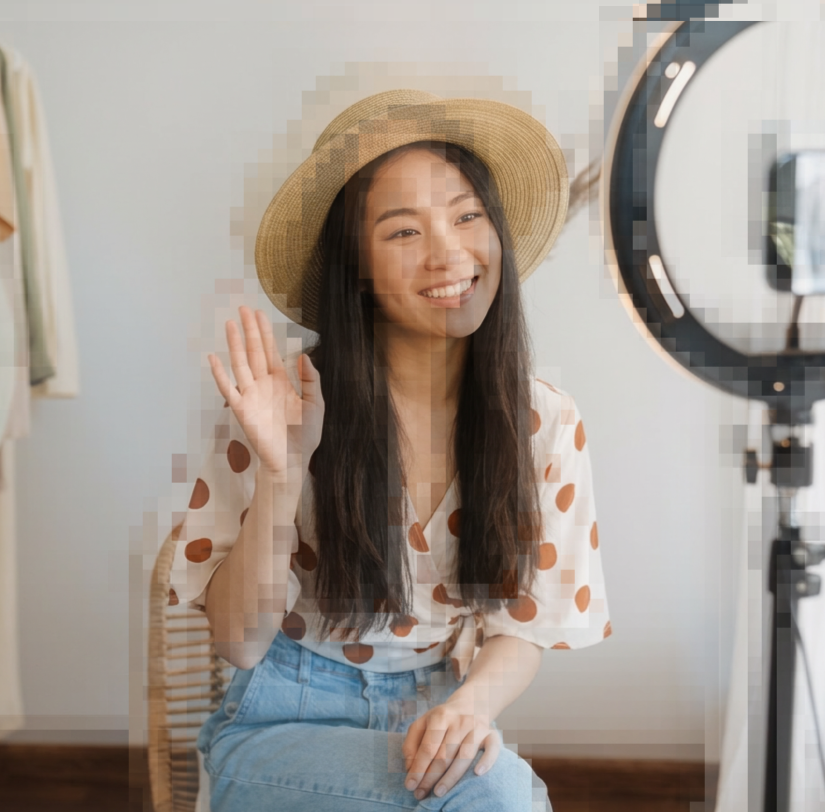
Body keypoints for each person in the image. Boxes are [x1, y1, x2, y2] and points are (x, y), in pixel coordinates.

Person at [168, 89, 611, 811]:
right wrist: (282, 473)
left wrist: (469, 709)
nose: (449, 253)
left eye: (467, 216)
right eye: (404, 231)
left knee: (491, 791)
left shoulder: (545, 422)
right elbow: (239, 644)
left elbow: (524, 627)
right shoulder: (285, 404)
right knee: (500, 798)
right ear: (358, 267)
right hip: (281, 723)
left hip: (433, 711)